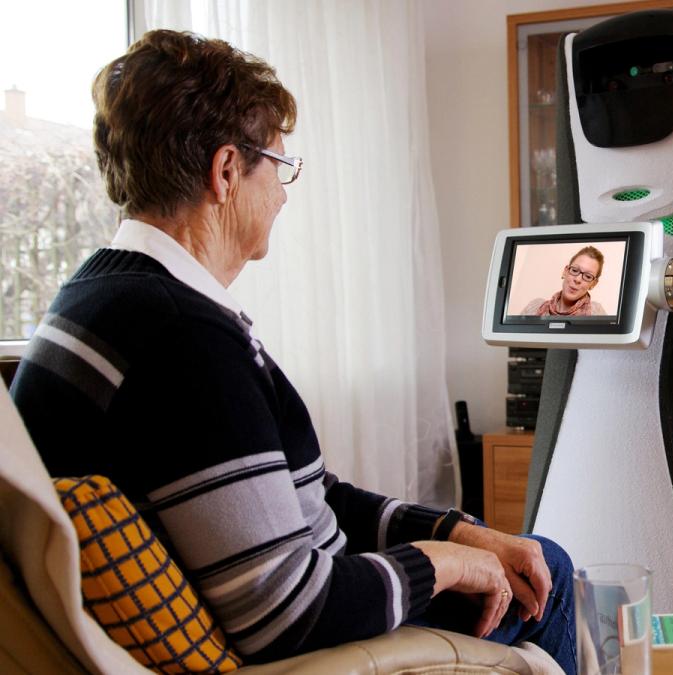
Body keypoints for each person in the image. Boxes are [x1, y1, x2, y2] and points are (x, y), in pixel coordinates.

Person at [10, 30, 576, 673]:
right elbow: (286, 614)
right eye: (278, 166)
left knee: (516, 552)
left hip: (300, 591)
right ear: (226, 171)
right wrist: (445, 564)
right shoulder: (181, 339)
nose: (282, 193)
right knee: (547, 573)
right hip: (319, 636)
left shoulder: (96, 294)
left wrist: (457, 531)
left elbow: (303, 498)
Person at [522, 246, 606, 316]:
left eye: (587, 276)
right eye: (574, 270)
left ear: (593, 284)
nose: (577, 279)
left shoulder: (596, 314)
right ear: (565, 271)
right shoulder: (534, 308)